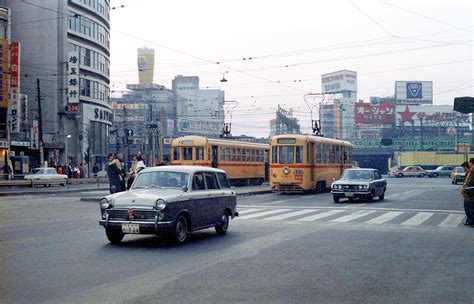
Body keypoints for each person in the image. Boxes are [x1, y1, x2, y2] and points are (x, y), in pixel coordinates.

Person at [461, 159, 474, 227]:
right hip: (469, 192)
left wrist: (465, 186)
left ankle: (471, 221)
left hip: (470, 192)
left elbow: (470, 182)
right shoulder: (470, 171)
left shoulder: (471, 171)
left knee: (468, 207)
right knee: (468, 207)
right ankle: (470, 220)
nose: (463, 169)